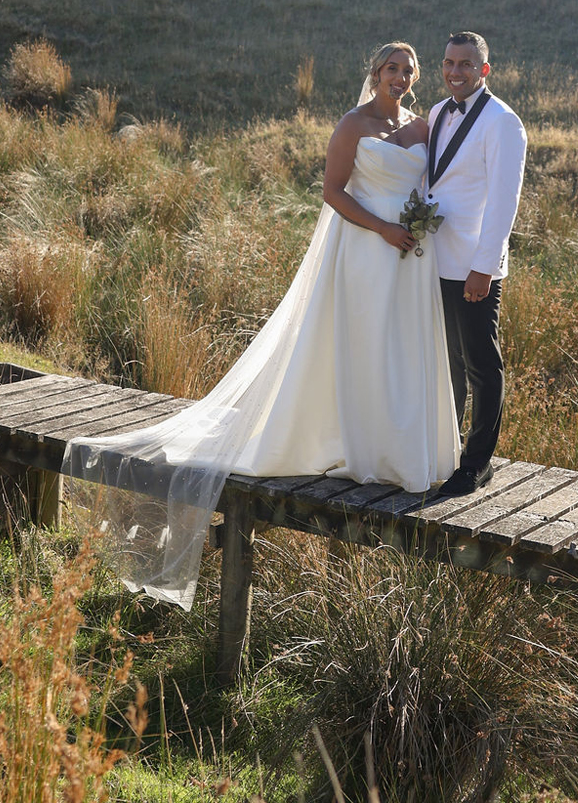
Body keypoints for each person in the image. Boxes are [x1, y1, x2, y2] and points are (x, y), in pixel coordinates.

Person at [63, 41, 459, 610]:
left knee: (402, 349)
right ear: (375, 73)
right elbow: (332, 192)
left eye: (408, 71)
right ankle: (360, 450)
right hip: (366, 251)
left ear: (416, 78)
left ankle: (399, 452)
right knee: (365, 347)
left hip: (410, 260)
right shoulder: (353, 124)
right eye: (391, 68)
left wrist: (418, 226)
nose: (400, 77)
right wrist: (383, 229)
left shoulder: (422, 128)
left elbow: (433, 186)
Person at [426, 32, 527, 499]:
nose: (455, 72)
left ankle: (477, 464)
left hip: (473, 266)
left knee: (482, 365)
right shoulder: (436, 113)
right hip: (435, 261)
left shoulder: (503, 122)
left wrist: (484, 266)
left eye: (466, 64)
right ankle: (445, 452)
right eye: (449, 62)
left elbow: (505, 202)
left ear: (484, 70)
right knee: (448, 362)